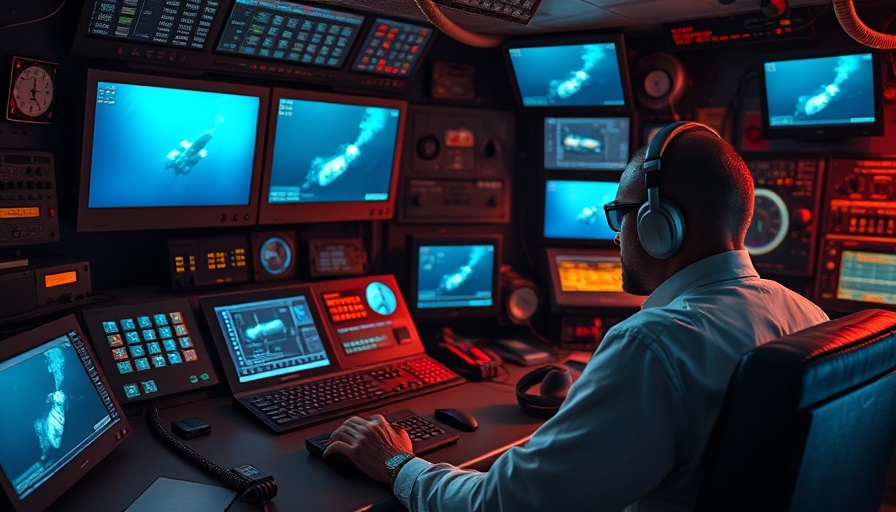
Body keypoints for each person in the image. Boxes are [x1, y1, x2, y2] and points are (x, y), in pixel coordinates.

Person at [323, 121, 830, 511]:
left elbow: (501, 505)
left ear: (660, 225)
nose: (615, 237)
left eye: (620, 215)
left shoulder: (652, 345)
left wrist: (396, 464)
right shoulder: (810, 314)